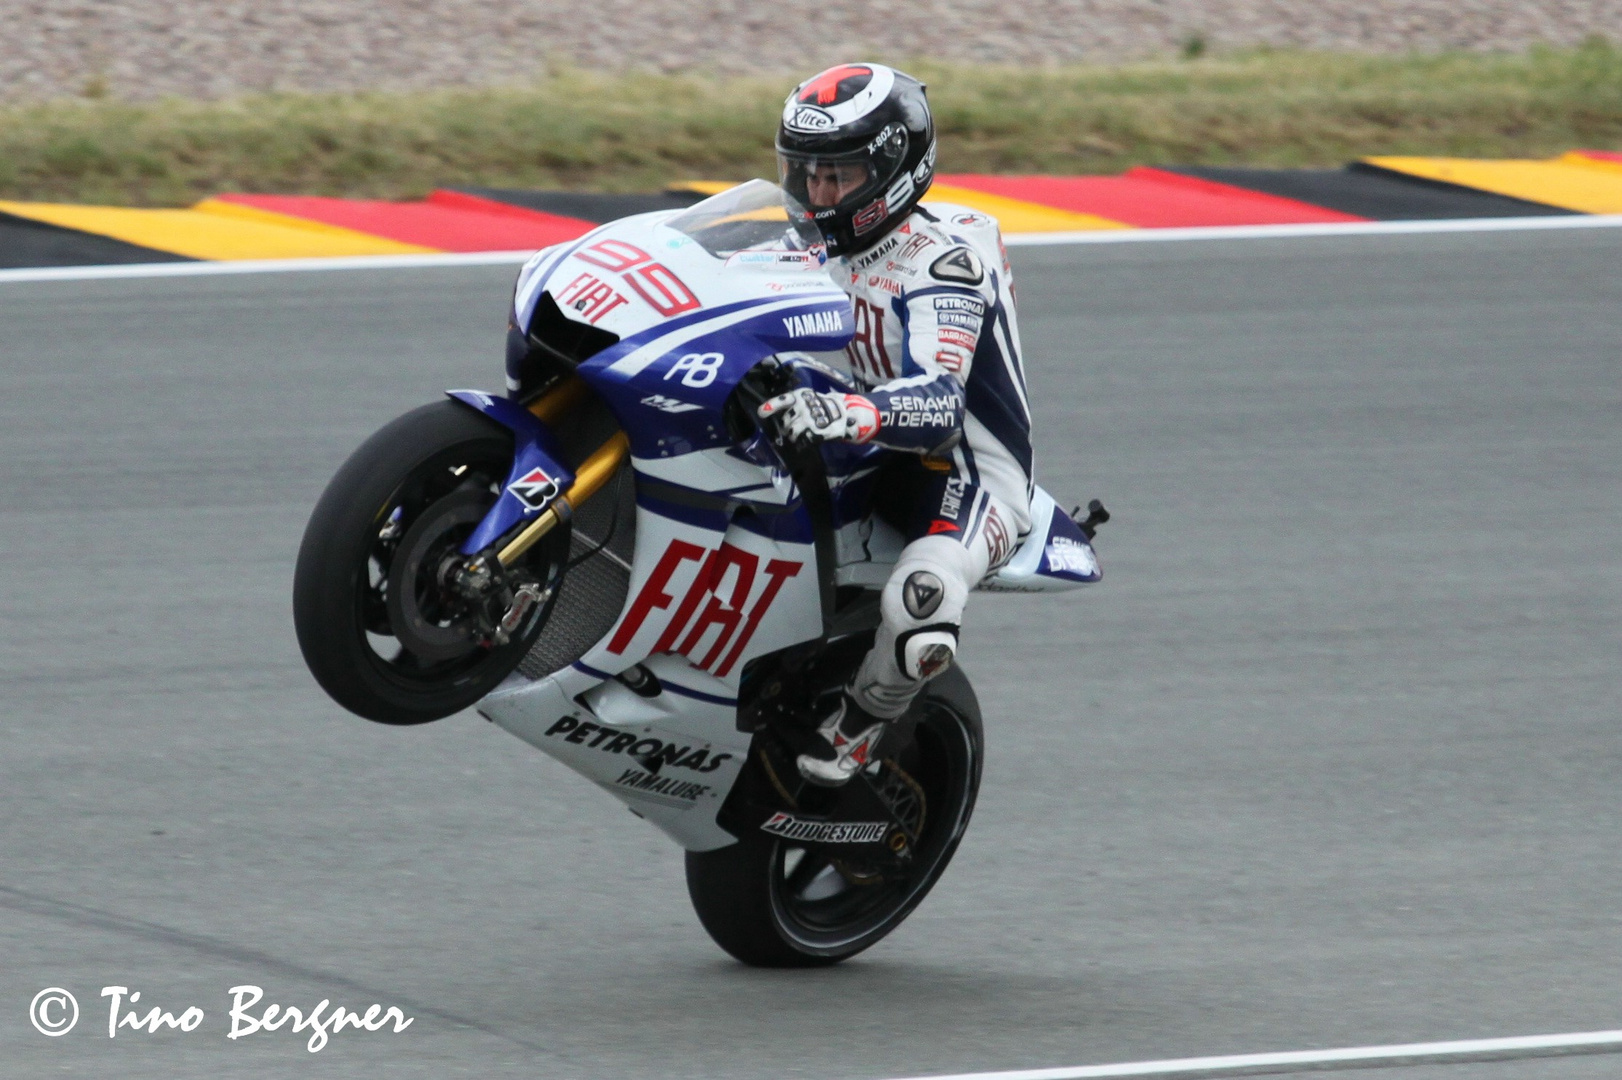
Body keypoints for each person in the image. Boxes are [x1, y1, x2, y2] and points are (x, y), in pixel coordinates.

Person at [759, 63, 1035, 786]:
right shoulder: (819, 243)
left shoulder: (942, 264)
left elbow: (941, 404)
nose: (817, 194)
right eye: (806, 173)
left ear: (891, 173)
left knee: (924, 601)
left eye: (837, 176)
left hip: (964, 473)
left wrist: (851, 411)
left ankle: (862, 723)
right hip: (865, 445)